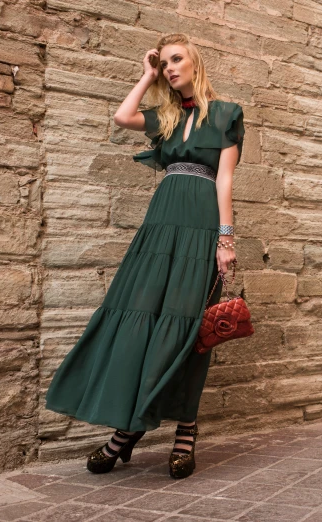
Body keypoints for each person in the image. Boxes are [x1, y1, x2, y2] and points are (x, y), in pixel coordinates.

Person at [44, 33, 244, 480]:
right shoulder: (166, 116)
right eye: (165, 63)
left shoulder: (228, 113)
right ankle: (128, 430)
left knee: (188, 328)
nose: (171, 68)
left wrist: (225, 240)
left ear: (195, 62)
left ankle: (185, 431)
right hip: (160, 228)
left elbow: (224, 181)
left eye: (177, 59)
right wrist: (145, 74)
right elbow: (121, 116)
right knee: (143, 317)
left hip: (201, 227)